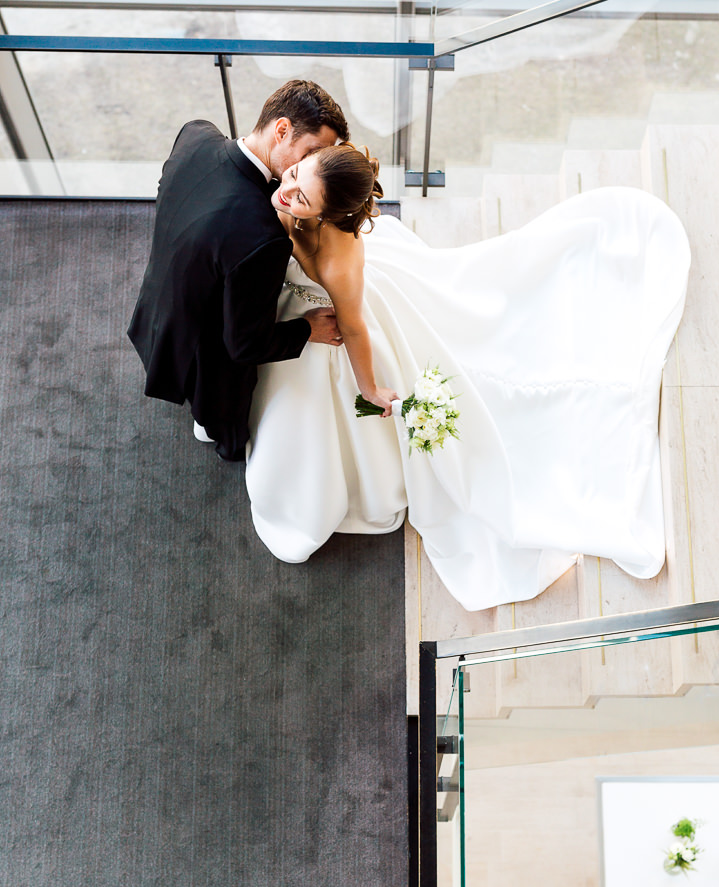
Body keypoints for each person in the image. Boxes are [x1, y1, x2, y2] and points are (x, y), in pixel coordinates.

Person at [244, 145, 690, 613]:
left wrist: (372, 390)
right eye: (293, 175)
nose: (286, 192)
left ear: (328, 213)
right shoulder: (293, 191)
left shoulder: (339, 263)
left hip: (339, 333)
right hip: (308, 314)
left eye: (302, 197)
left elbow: (354, 330)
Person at [128, 80, 348, 462]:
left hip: (156, 303)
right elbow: (245, 344)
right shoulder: (261, 238)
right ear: (281, 130)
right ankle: (225, 442)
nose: (314, 166)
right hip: (202, 352)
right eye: (312, 151)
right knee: (225, 418)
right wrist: (308, 328)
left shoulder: (196, 135)